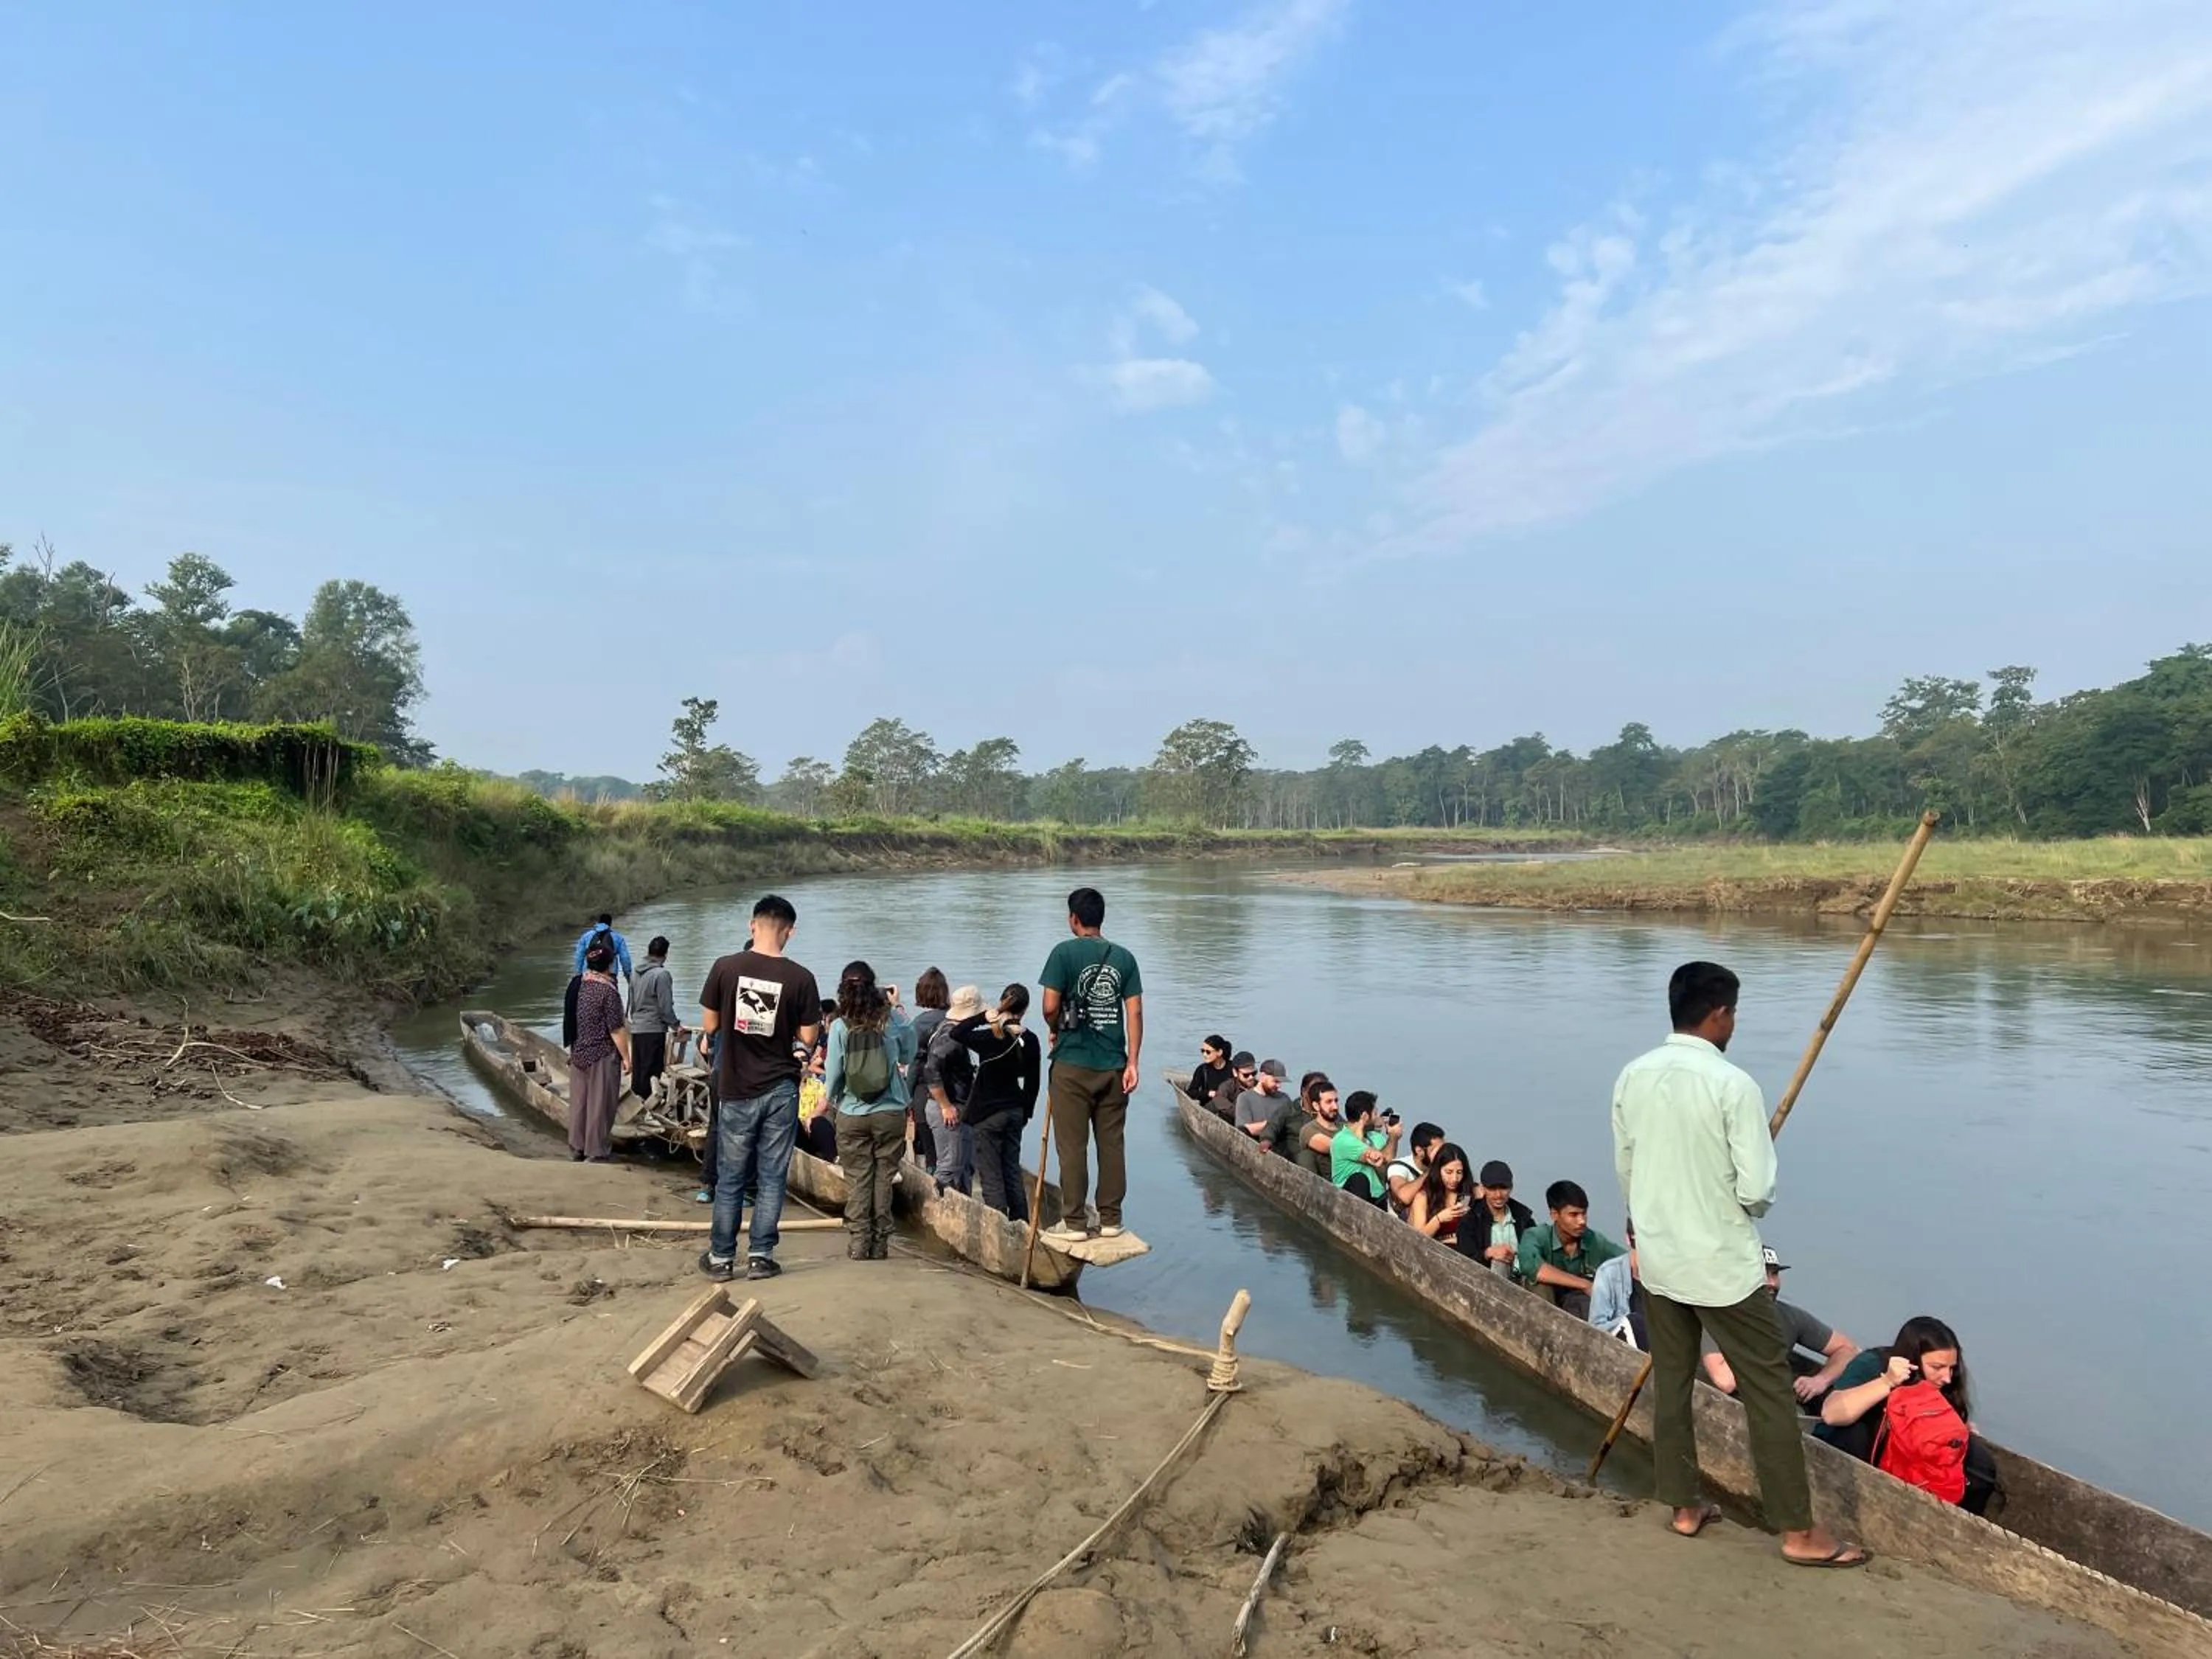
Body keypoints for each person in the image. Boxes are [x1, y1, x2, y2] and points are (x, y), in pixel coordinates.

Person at [1613, 959, 1867, 1567]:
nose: (1735, 1025)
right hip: (1721, 1266)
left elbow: (1628, 1171)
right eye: (1735, 1014)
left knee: (1672, 1381)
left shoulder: (1633, 1076)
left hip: (1662, 1261)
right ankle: (1800, 1533)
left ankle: (1682, 1504)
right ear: (1720, 1013)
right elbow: (1756, 1193)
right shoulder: (1734, 1086)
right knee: (1769, 1392)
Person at [696, 894, 821, 1284]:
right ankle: (761, 1256)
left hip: (735, 1085)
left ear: (753, 925)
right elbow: (809, 1037)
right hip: (781, 1088)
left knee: (730, 1176)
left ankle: (721, 1258)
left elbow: (711, 1026)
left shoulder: (725, 967)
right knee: (771, 1176)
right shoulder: (801, 978)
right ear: (790, 931)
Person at [1040, 887, 1143, 1243]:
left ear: (1074, 919)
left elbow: (1050, 1007)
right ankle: (1112, 1220)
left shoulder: (1063, 954)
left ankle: (1075, 1222)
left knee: (1072, 1146)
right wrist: (1133, 1061)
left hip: (1071, 1065)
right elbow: (1135, 1011)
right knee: (1111, 1143)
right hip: (1114, 1065)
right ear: (1101, 918)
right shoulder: (1125, 958)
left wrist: (1055, 1030)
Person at [1815, 1315, 1997, 1514]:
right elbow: (1831, 1414)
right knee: (1855, 1430)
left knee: (1980, 1463)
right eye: (1937, 1368)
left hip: (1904, 1469)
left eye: (1951, 1368)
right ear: (1913, 1360)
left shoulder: (1947, 1385)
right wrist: (1888, 1382)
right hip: (1848, 1461)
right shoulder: (1872, 1364)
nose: (1947, 1378)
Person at [824, 960, 917, 1261]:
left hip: (852, 1112)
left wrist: (835, 1100)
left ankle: (859, 1242)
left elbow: (835, 1074)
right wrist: (896, 1006)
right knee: (884, 1176)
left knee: (859, 1177)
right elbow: (909, 1053)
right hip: (890, 1111)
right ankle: (881, 1243)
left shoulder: (839, 1026)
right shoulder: (893, 1021)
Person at [1703, 1247, 1860, 1410]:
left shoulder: (1789, 1317)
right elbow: (1725, 1381)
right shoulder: (1718, 1313)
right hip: (1718, 1409)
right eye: (1763, 1274)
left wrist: (1821, 1380)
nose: (1771, 1283)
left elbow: (1848, 1349)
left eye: (1775, 1274)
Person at [948, 983, 1044, 1220]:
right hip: (1014, 1111)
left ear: (1003, 1004)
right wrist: (1026, 1114)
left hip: (988, 1114)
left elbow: (956, 1033)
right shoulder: (1030, 1040)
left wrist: (983, 1016)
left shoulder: (991, 1036)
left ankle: (998, 1224)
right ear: (1025, 1010)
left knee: (991, 1176)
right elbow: (1033, 1083)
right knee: (1011, 1170)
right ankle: (1021, 1222)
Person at [1516, 1179, 1625, 1319]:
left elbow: (1626, 1261)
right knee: (1541, 1285)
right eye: (1573, 1215)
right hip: (1542, 1310)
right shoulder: (1536, 1236)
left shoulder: (1593, 1240)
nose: (1582, 1221)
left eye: (1584, 1213)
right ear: (1554, 1214)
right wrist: (1585, 1285)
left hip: (1579, 1310)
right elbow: (1533, 1268)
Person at [566, 941, 631, 1161]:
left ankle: (577, 1147)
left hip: (578, 1052)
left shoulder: (577, 985)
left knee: (579, 1103)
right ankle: (597, 1151)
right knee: (600, 1105)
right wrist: (627, 1057)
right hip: (602, 1054)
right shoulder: (608, 991)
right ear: (610, 965)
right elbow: (616, 1029)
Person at [924, 985, 983, 1194]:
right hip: (948, 1110)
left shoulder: (947, 1028)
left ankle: (963, 1202)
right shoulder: (950, 1036)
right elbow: (931, 1071)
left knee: (963, 1167)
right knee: (950, 1167)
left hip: (956, 1107)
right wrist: (946, 1106)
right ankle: (936, 1208)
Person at [626, 936, 680, 1104]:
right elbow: (665, 1008)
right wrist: (676, 1026)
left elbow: (631, 1001)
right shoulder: (662, 974)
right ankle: (650, 1108)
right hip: (653, 1029)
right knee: (652, 1073)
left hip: (637, 1028)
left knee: (640, 1071)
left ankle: (637, 1104)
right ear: (665, 954)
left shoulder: (635, 972)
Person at [906, 968, 950, 1169]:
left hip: (925, 1092)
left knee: (930, 1151)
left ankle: (934, 1183)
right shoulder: (954, 1019)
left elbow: (915, 1065)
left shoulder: (919, 1024)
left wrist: (906, 1097)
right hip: (954, 1090)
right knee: (950, 1151)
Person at [1463, 1161, 1535, 1279]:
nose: (1498, 1195)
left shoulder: (1524, 1218)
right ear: (1483, 1188)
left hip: (1525, 1279)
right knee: (1500, 1263)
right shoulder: (1471, 1220)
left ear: (1511, 1188)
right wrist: (1487, 1253)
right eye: (1492, 1189)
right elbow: (1464, 1259)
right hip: (1486, 1283)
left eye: (1503, 1188)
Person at [1587, 1219, 1650, 1350]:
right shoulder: (1609, 1273)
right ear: (1629, 1239)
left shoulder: (1667, 1278)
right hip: (1622, 1353)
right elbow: (1596, 1328)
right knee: (1635, 1322)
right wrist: (1628, 1323)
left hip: (1661, 1350)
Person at [1330, 1091, 1397, 1206]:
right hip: (1347, 1199)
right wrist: (1393, 1137)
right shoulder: (1342, 1140)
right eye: (1375, 1113)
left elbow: (1388, 1161)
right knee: (1360, 1179)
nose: (1377, 1117)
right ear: (1365, 1116)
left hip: (1377, 1199)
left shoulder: (1376, 1137)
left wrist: (1393, 1138)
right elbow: (1379, 1158)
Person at [1408, 1141, 1476, 1246]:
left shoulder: (1467, 1195)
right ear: (1438, 1170)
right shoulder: (1423, 1197)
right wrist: (1439, 1219)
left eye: (1459, 1172)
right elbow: (1418, 1239)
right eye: (1448, 1172)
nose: (1454, 1179)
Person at [1234, 1059, 1296, 1152]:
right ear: (1262, 1077)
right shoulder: (1245, 1098)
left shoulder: (1284, 1099)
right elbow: (1244, 1129)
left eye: (1280, 1082)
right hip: (1256, 1148)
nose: (1279, 1086)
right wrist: (1274, 1125)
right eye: (1276, 1081)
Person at [1387, 1122, 1445, 1216]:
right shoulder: (1398, 1166)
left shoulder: (1444, 1171)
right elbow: (1403, 1196)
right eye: (1437, 1151)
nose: (1442, 1154)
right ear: (1419, 1151)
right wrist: (1432, 1171)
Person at [1290, 1077, 1343, 1180]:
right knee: (1305, 1156)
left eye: (1336, 1101)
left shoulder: (1344, 1127)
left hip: (1350, 1178)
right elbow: (1334, 1147)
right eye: (1329, 1102)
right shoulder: (1309, 1130)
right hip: (1328, 1184)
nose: (1335, 1107)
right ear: (1316, 1106)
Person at [572, 912, 634, 983]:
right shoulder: (618, 938)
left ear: (598, 922)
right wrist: (628, 976)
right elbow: (625, 958)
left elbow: (579, 957)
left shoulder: (586, 936)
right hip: (609, 975)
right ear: (610, 924)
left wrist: (578, 975)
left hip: (589, 974)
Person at [1184, 1036, 1235, 1117]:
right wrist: (1209, 1093)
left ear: (1219, 1052)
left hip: (1230, 1106)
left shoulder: (1233, 1068)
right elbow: (1191, 1092)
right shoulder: (1202, 1069)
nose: (1204, 1055)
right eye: (1202, 1051)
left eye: (1208, 1052)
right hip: (1209, 1109)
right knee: (1217, 1102)